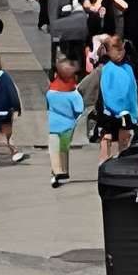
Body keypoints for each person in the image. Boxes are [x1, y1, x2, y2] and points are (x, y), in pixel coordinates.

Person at [94, 29, 138, 160]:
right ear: (108, 52)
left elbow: (132, 90)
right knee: (106, 135)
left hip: (125, 109)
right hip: (107, 109)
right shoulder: (106, 68)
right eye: (116, 51)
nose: (120, 54)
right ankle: (104, 160)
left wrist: (133, 111)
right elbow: (105, 91)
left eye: (121, 50)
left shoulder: (128, 68)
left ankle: (123, 158)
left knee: (124, 134)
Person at [46, 51, 85, 190]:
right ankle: (64, 171)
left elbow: (48, 104)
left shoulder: (51, 90)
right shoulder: (74, 93)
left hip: (53, 124)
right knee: (63, 148)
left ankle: (57, 172)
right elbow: (79, 109)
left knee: (54, 148)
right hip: (68, 125)